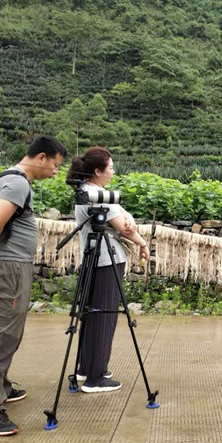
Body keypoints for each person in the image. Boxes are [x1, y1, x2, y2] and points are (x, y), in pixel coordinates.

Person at [0, 135, 67, 436]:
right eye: (55, 165)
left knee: (10, 333)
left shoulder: (12, 179)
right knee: (1, 337)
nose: (55, 172)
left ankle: (1, 386)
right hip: (8, 269)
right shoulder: (17, 183)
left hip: (10, 267)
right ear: (41, 157)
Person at [67, 146, 150, 393]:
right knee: (104, 316)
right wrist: (142, 243)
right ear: (97, 171)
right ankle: (96, 377)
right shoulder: (96, 194)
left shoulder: (89, 192)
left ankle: (85, 368)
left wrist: (127, 217)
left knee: (90, 314)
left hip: (92, 258)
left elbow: (123, 215)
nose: (113, 171)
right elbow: (123, 226)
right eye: (110, 167)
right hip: (106, 260)